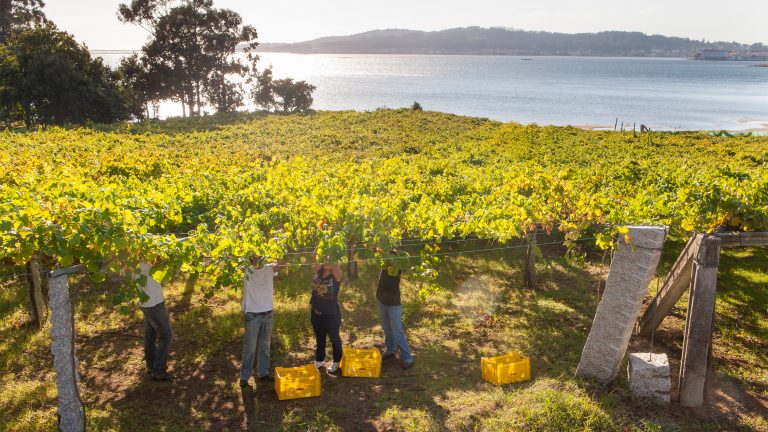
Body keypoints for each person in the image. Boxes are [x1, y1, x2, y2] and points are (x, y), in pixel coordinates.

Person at [239, 255, 283, 387]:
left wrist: (277, 252)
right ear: (251, 257)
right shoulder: (247, 269)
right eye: (255, 255)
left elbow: (283, 264)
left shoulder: (270, 268)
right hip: (252, 314)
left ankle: (263, 372)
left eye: (261, 254)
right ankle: (244, 377)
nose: (258, 257)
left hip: (268, 313)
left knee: (265, 345)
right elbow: (236, 265)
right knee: (250, 347)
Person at [137, 261, 174, 381]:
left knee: (150, 334)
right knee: (166, 335)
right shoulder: (151, 259)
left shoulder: (133, 258)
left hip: (144, 302)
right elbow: (165, 275)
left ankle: (151, 366)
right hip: (154, 303)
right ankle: (158, 370)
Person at [310, 256, 343, 373]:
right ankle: (319, 360)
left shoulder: (336, 276)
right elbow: (314, 257)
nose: (327, 262)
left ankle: (336, 361)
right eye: (325, 259)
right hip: (316, 313)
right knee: (320, 338)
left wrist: (333, 250)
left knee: (334, 338)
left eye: (330, 260)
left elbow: (336, 267)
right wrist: (322, 243)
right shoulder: (320, 271)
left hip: (331, 315)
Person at [377, 267, 414, 369]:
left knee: (397, 332)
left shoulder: (396, 268)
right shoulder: (384, 264)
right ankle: (390, 350)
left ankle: (408, 358)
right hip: (382, 301)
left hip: (393, 305)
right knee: (386, 328)